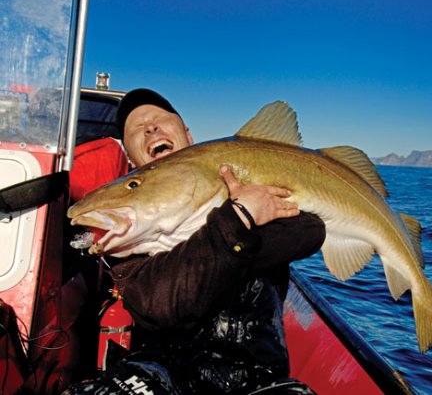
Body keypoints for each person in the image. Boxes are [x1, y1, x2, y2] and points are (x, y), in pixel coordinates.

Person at [64, 89, 325, 394]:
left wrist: (237, 223)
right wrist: (238, 220)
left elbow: (311, 229)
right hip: (160, 370)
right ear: (132, 160)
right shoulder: (129, 237)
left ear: (188, 136)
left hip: (261, 373)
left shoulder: (250, 180)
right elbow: (158, 302)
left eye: (161, 120)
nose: (150, 127)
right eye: (136, 128)